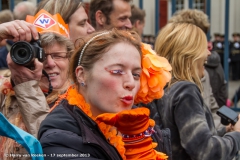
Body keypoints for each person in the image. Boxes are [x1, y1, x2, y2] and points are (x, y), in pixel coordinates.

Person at [38, 29, 171, 160]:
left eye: (136, 74)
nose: (131, 83)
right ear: (82, 75)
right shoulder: (59, 138)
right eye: (117, 71)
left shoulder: (143, 127)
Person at [151, 22, 240, 160]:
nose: (209, 53)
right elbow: (205, 152)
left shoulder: (163, 87)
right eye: (203, 48)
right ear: (188, 54)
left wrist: (225, 131)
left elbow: (184, 138)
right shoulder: (186, 90)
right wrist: (237, 134)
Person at [0, 12, 74, 159]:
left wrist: (27, 88)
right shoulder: (6, 90)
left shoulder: (80, 101)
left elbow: (53, 149)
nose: (50, 64)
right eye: (41, 56)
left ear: (70, 59)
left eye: (58, 56)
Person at [168, 8, 227, 132]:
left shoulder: (203, 73)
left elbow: (213, 110)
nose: (208, 52)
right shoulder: (166, 80)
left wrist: (225, 131)